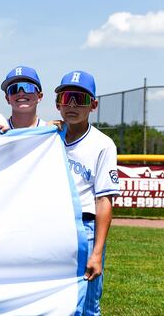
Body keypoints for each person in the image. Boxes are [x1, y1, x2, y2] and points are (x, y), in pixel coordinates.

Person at [55, 71, 119, 315]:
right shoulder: (49, 136)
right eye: (67, 97)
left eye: (80, 99)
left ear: (93, 105)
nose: (72, 105)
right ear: (58, 103)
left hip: (86, 228)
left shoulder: (102, 144)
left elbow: (104, 201)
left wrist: (97, 253)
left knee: (88, 306)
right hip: (53, 226)